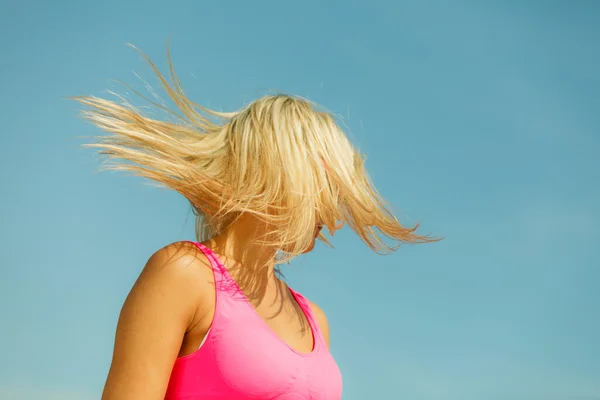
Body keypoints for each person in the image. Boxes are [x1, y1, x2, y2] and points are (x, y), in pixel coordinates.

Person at [76, 46, 434, 400]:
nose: (334, 217)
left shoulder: (315, 320)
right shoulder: (183, 274)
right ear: (282, 173)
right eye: (327, 190)